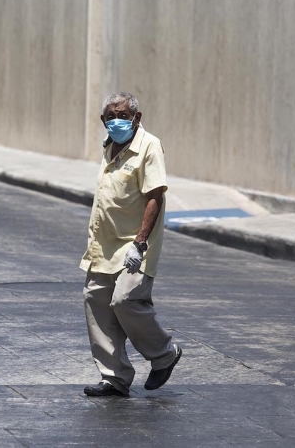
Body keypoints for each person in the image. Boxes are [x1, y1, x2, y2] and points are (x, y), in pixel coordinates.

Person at [80, 92, 181, 397]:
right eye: (111, 115)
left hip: (135, 244)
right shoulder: (110, 146)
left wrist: (140, 243)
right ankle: (114, 377)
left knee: (125, 300)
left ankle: (164, 354)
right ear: (103, 121)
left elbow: (155, 196)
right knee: (97, 305)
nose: (117, 120)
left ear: (137, 117)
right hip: (103, 244)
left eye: (124, 115)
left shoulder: (148, 146)